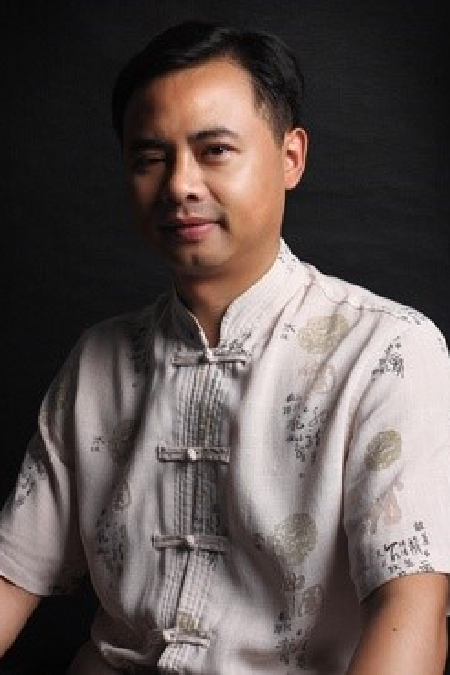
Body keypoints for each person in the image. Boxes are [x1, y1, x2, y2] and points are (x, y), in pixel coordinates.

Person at [0, 20, 449, 675]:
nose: (179, 185)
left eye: (214, 150)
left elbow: (412, 610)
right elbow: (11, 578)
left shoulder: (389, 352)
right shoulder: (98, 360)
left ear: (291, 156)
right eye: (150, 158)